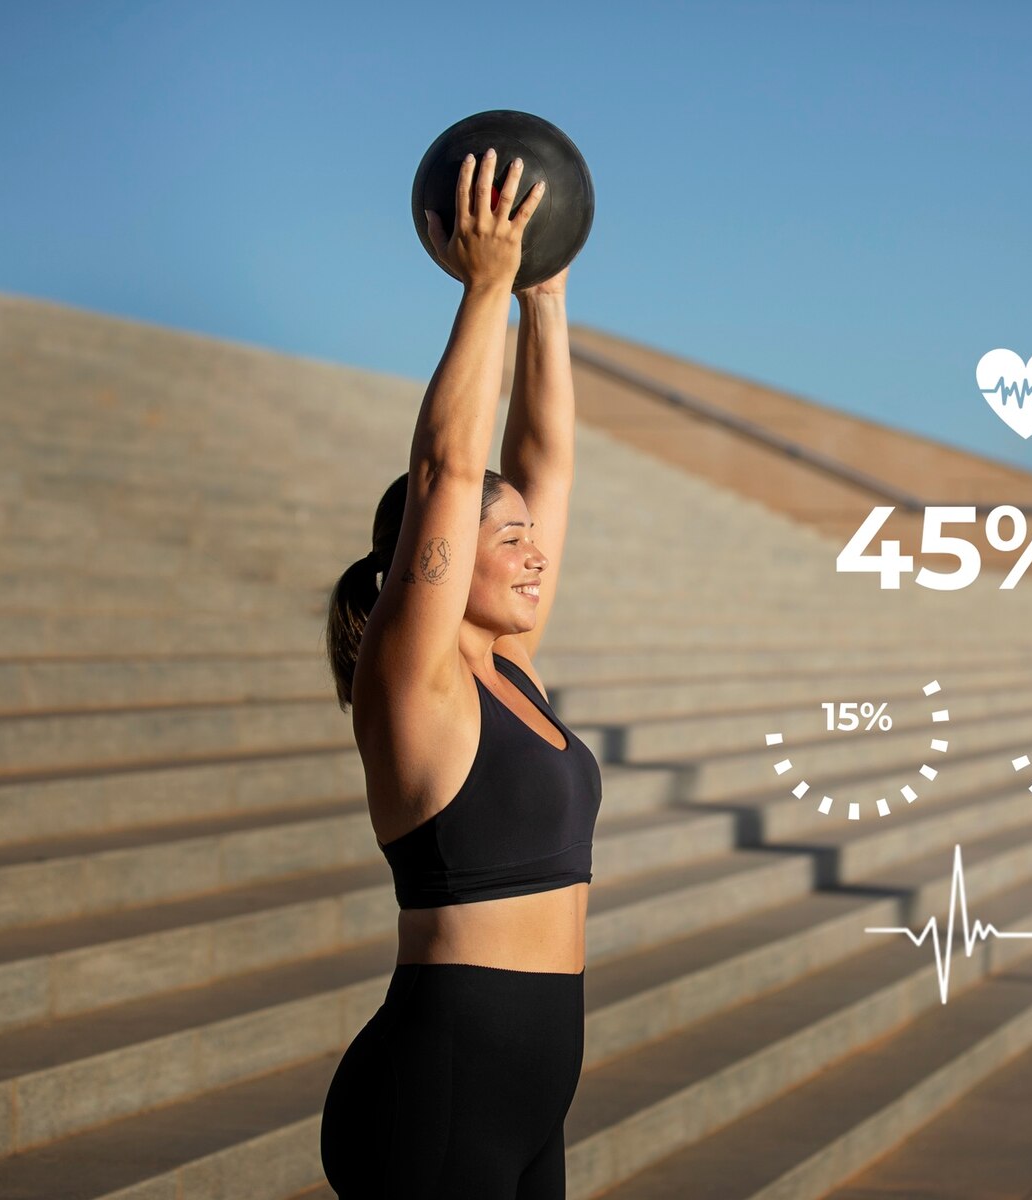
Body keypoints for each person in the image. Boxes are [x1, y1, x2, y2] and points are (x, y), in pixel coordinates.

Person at [318, 147, 600, 1198]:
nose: (535, 553)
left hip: (533, 1088)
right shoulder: (415, 679)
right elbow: (446, 468)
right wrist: (484, 289)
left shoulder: (513, 671)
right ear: (432, 565)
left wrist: (548, 300)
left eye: (532, 537)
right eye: (506, 538)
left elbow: (549, 459)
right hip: (441, 1088)